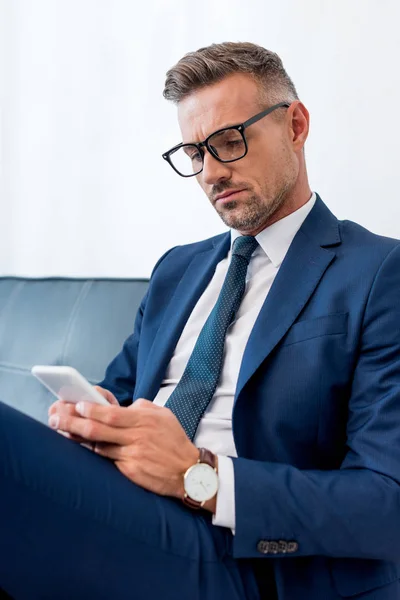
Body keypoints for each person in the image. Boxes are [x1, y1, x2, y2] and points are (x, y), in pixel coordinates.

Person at [1, 41, 400, 600]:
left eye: (230, 142)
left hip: (251, 562)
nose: (211, 172)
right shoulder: (178, 270)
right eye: (194, 153)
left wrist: (199, 476)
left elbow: (387, 503)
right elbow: (120, 395)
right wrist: (96, 423)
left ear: (296, 125)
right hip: (127, 515)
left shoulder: (379, 271)